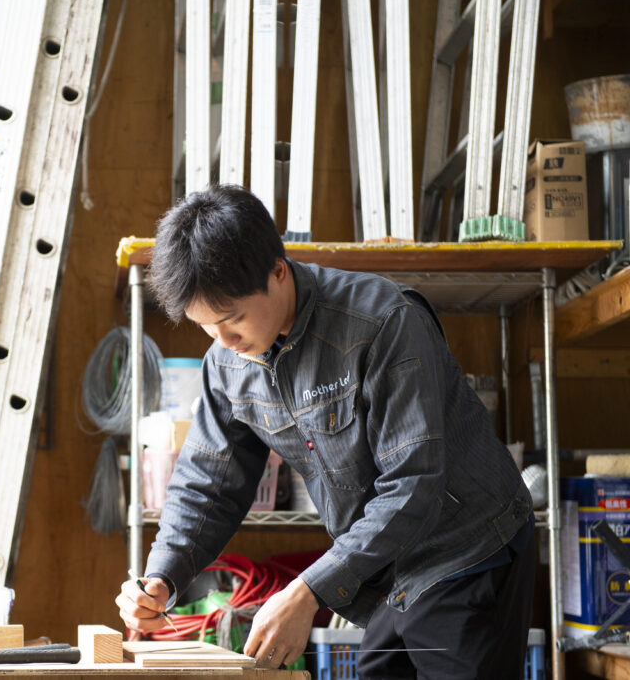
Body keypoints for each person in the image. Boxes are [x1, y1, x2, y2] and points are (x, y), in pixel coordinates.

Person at [115, 184, 535, 678]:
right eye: (205, 326)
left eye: (232, 319)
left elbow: (413, 483)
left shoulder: (382, 322)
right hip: (390, 570)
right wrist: (163, 576)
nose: (224, 340)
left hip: (466, 549)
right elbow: (206, 484)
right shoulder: (227, 364)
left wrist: (308, 591)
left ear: (277, 271)